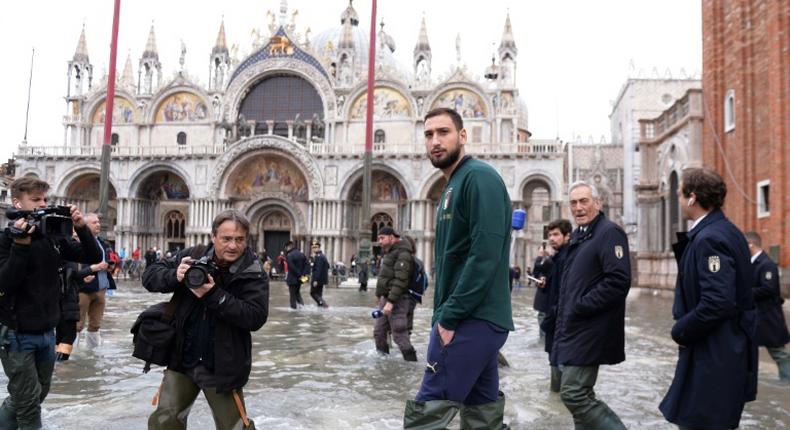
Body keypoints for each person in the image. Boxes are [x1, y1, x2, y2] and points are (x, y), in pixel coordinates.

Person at [405, 107, 513, 429]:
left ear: (462, 136)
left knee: (427, 415)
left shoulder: (479, 177)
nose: (435, 141)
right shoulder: (453, 185)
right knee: (482, 416)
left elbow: (485, 253)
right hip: (473, 320)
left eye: (443, 132)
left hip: (470, 320)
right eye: (429, 134)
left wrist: (450, 316)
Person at [142, 209, 268, 430]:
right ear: (213, 237)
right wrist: (175, 275)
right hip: (182, 357)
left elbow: (255, 317)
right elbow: (150, 277)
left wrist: (213, 295)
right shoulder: (193, 255)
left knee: (235, 426)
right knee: (165, 421)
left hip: (222, 363)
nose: (233, 246)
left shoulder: (253, 271)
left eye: (239, 240)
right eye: (226, 239)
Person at [659, 167, 757, 429]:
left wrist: (681, 329)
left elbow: (718, 302)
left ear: (692, 197)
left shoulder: (711, 239)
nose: (679, 200)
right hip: (717, 352)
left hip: (715, 355)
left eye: (680, 195)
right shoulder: (727, 230)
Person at [0, 177, 102, 428]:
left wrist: (81, 227)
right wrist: (21, 246)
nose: (42, 204)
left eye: (44, 199)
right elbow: (5, 283)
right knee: (29, 405)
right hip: (16, 333)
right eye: (35, 200)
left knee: (36, 395)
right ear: (17, 203)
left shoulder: (52, 237)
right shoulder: (5, 239)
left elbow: (92, 255)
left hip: (47, 331)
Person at [551, 180, 630, 429]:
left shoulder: (609, 232)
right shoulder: (579, 236)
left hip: (591, 328)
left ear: (598, 202)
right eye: (573, 203)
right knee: (581, 400)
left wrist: (581, 306)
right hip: (572, 329)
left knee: (574, 393)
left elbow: (618, 281)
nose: (578, 207)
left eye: (584, 201)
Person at [744, 231, 790, 383]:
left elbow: (768, 289)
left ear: (751, 245)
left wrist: (743, 292)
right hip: (757, 316)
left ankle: (787, 382)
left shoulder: (766, 264)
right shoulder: (753, 263)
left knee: (778, 352)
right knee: (747, 350)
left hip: (768, 317)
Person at [538, 219, 572, 393]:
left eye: (556, 234)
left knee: (560, 366)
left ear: (567, 236)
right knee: (554, 360)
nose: (551, 238)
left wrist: (550, 318)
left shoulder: (568, 258)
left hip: (561, 324)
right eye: (550, 235)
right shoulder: (557, 258)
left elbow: (565, 294)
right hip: (554, 321)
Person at [373, 227, 417, 362]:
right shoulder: (389, 252)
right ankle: (383, 362)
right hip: (386, 299)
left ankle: (411, 364)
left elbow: (400, 280)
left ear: (391, 237)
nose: (379, 241)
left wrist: (391, 302)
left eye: (382, 238)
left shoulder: (403, 253)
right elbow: (385, 276)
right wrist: (379, 294)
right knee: (379, 332)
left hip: (398, 300)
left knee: (399, 333)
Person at [76, 213, 117, 348]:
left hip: (101, 287)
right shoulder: (78, 242)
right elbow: (75, 263)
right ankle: (70, 354)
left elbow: (111, 259)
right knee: (77, 324)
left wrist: (111, 266)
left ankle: (91, 353)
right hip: (84, 289)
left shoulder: (103, 243)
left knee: (95, 324)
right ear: (85, 225)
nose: (98, 224)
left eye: (98, 222)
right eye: (94, 222)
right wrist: (90, 270)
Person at [531, 246, 553, 338]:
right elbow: (537, 272)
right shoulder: (546, 259)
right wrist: (541, 278)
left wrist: (539, 256)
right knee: (542, 316)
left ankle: (544, 339)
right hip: (544, 295)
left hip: (548, 296)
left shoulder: (550, 259)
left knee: (543, 316)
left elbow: (538, 268)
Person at [284, 241, 309, 309]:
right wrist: (303, 275)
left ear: (288, 247)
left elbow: (292, 267)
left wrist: (299, 275)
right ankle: (302, 307)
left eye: (286, 248)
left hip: (293, 279)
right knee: (297, 293)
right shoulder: (302, 254)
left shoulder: (289, 255)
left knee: (292, 296)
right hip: (300, 279)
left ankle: (293, 309)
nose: (286, 249)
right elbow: (307, 265)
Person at [309, 241, 330, 308]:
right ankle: (320, 306)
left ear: (318, 248)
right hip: (322, 279)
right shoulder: (323, 256)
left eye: (315, 248)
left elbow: (318, 269)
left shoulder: (318, 257)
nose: (313, 249)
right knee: (319, 294)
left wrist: (315, 280)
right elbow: (328, 266)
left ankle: (324, 305)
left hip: (318, 279)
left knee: (313, 293)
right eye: (312, 248)